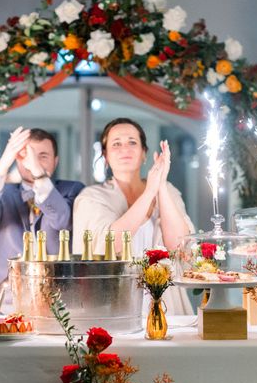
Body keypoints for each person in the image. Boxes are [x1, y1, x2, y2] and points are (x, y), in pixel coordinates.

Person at [72, 118, 195, 315]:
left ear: (144, 153)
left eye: (132, 142)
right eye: (116, 144)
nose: (125, 149)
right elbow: (108, 246)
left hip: (166, 302)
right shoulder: (91, 197)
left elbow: (180, 246)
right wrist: (149, 193)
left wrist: (161, 186)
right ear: (105, 156)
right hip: (114, 304)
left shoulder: (167, 190)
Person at [0, 127, 84, 287]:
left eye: (42, 156)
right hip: (5, 292)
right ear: (17, 159)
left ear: (55, 161)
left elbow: (62, 221)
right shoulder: (3, 193)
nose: (33, 162)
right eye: (26, 156)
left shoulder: (73, 190)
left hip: (56, 293)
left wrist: (38, 171)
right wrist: (3, 164)